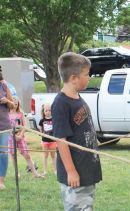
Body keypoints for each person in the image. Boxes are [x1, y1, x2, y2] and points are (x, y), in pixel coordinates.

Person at [52, 52, 102, 210]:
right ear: (73, 78)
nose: (89, 77)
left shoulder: (78, 98)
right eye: (86, 74)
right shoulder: (61, 104)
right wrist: (71, 171)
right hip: (75, 172)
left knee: (86, 207)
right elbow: (61, 140)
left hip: (87, 168)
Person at [8, 96, 43, 178]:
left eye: (16, 104)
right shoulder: (7, 114)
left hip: (21, 137)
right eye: (13, 104)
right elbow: (7, 127)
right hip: (11, 137)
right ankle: (17, 173)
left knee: (27, 155)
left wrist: (20, 136)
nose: (14, 105)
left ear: (18, 104)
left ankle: (35, 173)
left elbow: (25, 125)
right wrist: (13, 135)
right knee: (13, 156)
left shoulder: (21, 114)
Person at [0, 67, 14, 190]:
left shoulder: (4, 85)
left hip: (4, 125)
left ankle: (1, 181)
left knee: (3, 153)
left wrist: (6, 101)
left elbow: (13, 104)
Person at [39, 103, 57, 175]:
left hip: (53, 141)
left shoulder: (54, 119)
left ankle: (55, 170)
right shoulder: (42, 120)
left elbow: (56, 129)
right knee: (45, 155)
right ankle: (45, 170)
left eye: (49, 110)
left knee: (53, 156)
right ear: (43, 111)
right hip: (45, 141)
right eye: (46, 110)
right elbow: (40, 130)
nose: (48, 112)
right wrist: (41, 134)